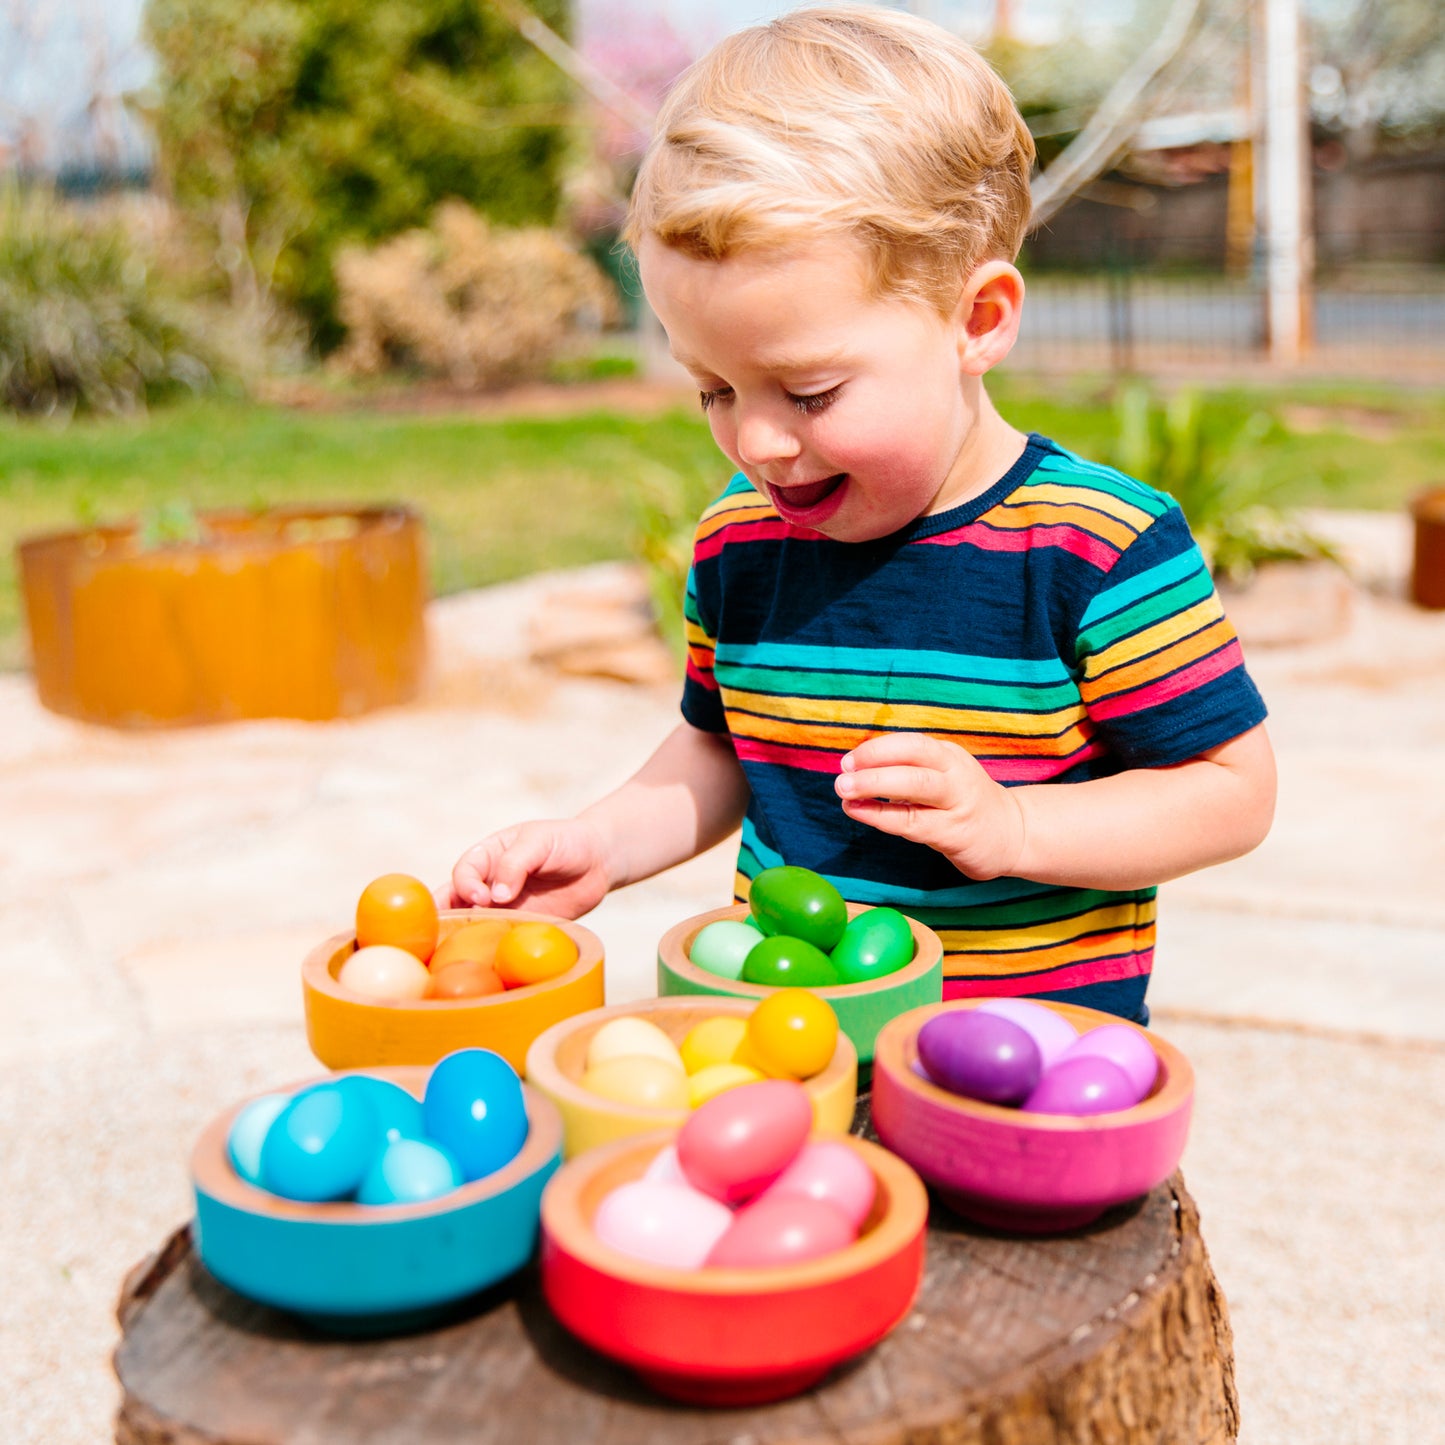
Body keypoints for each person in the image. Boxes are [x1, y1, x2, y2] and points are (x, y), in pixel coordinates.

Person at [446, 5, 1275, 1024]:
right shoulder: (740, 542)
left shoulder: (1095, 549)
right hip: (791, 1045)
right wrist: (602, 843)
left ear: (976, 322)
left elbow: (1228, 789)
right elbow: (721, 748)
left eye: (809, 393)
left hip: (1025, 1066)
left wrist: (1014, 828)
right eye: (713, 388)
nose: (756, 442)